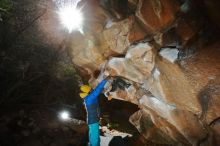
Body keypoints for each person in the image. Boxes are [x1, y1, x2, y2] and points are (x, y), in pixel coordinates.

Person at [79, 79, 109, 146]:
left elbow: (97, 93)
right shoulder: (89, 98)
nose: (92, 90)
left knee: (94, 138)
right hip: (93, 121)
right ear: (88, 91)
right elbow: (97, 91)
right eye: (90, 89)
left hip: (93, 121)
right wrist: (104, 81)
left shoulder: (89, 98)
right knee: (95, 139)